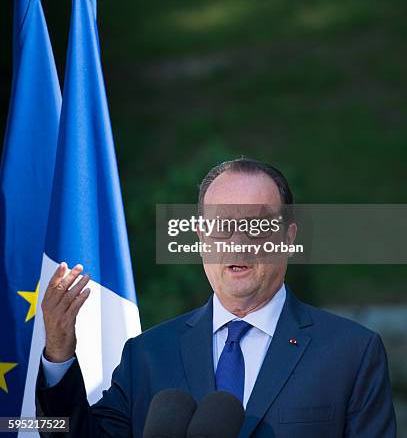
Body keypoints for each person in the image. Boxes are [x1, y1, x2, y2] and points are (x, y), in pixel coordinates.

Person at [36, 158, 397, 437]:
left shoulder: (351, 353)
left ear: (289, 237)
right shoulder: (147, 356)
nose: (238, 243)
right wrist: (58, 355)